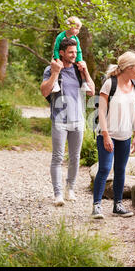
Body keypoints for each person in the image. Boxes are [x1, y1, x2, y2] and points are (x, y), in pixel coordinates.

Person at [40, 38, 95, 206]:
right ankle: (57, 194)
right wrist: (56, 72)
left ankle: (69, 188)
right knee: (57, 157)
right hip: (59, 119)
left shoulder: (79, 71)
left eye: (75, 52)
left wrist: (86, 72)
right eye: (70, 52)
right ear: (62, 53)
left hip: (78, 119)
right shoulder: (51, 69)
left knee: (75, 157)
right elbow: (44, 92)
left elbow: (92, 92)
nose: (74, 55)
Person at [92, 51, 135, 219]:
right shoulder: (109, 84)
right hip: (108, 133)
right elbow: (102, 111)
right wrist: (105, 136)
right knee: (105, 168)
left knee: (120, 170)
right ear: (128, 68)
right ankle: (97, 206)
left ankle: (118, 205)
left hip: (126, 135)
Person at [51, 16, 91, 93]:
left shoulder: (76, 39)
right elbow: (56, 49)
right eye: (76, 29)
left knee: (81, 66)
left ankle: (84, 83)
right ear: (69, 27)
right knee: (55, 65)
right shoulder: (60, 36)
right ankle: (55, 83)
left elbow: (78, 51)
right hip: (58, 55)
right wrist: (57, 59)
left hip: (72, 56)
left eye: (79, 29)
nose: (78, 31)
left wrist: (79, 60)